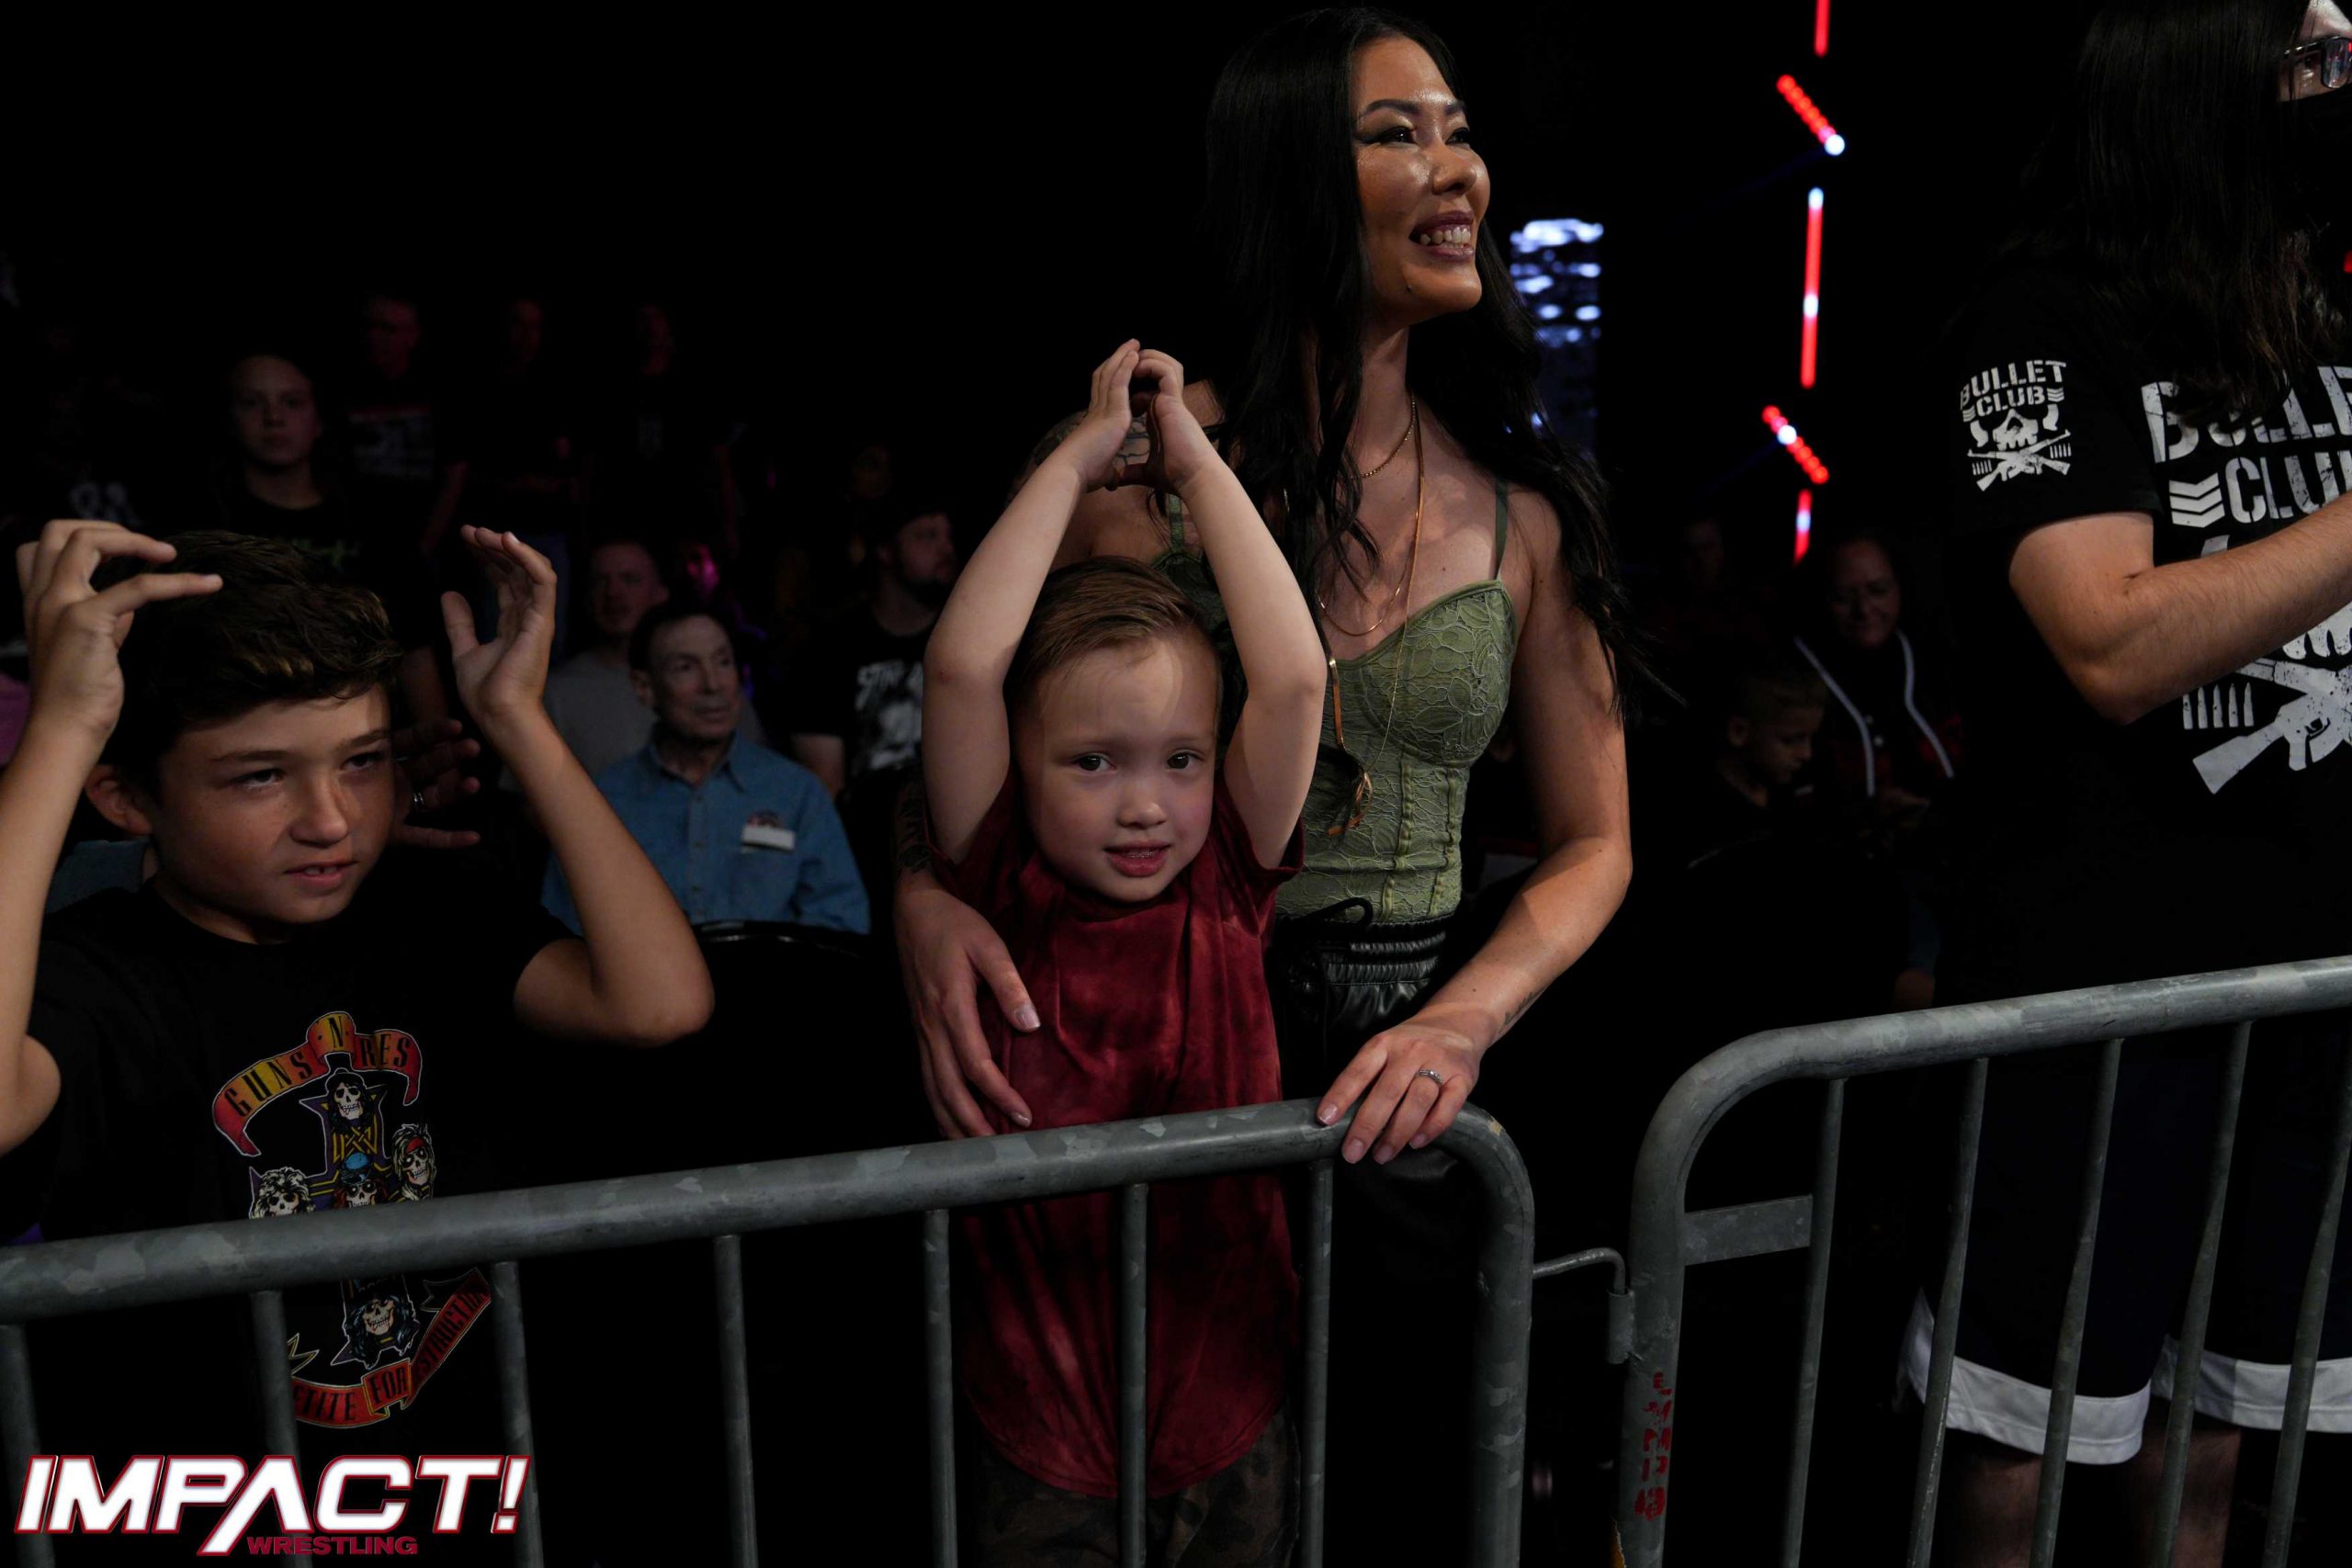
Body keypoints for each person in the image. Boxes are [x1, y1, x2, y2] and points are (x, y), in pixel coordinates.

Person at [896, 11, 1635, 1554]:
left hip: (1401, 1083)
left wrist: (1464, 1016)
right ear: (1289, 175)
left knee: (1383, 1498)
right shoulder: (1128, 478)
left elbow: (1593, 842)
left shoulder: (1524, 515)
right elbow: (965, 735)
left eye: (1461, 129)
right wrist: (922, 896)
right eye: (1398, 133)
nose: (1459, 168)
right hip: (1153, 1042)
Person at [0, 522, 710, 1559]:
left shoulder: (428, 912)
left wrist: (518, 722)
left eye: (363, 762)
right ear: (125, 794)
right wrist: (63, 730)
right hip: (207, 1514)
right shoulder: (97, 972)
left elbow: (658, 1002)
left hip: (450, 1495)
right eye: (260, 777)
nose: (330, 819)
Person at [1917, 5, 2352, 1562]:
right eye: (2313, 57)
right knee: (2026, 1440)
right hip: (2100, 996)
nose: (2342, 83)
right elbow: (2108, 639)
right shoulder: (2039, 324)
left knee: (2218, 1430)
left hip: (2301, 987)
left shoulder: (2318, 310)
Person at [922, 342, 1325, 1564]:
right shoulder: (1003, 873)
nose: (1145, 805)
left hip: (1229, 1401)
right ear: (1023, 764)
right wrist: (1078, 462)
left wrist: (1195, 469)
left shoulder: (1228, 879)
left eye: (1181, 760)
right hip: (1039, 1416)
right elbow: (963, 665)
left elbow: (1294, 677)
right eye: (1092, 762)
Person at [543, 600, 865, 935]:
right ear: (645, 687)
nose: (713, 684)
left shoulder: (796, 792)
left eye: (723, 662)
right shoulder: (603, 802)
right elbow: (565, 932)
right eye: (686, 667)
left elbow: (840, 920)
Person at [215, 350, 450, 729]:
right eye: (251, 403)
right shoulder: (209, 531)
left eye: (292, 402)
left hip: (363, 731)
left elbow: (415, 648)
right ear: (229, 418)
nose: (274, 418)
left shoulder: (375, 523)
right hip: (247, 729)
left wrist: (438, 746)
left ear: (319, 418)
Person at [787, 491, 957, 903]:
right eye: (926, 536)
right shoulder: (830, 649)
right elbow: (824, 787)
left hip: (955, 836)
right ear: (884, 550)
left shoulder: (966, 636)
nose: (946, 549)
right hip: (865, 853)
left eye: (947, 536)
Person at [1792, 530, 1962, 822]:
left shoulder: (1934, 662)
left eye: (1878, 590)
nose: (1864, 609)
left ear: (1899, 587)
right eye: (1843, 598)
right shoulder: (1793, 680)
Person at [343, 288, 458, 543]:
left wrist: (427, 544)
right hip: (353, 537)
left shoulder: (438, 392)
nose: (375, 337)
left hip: (420, 535)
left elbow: (455, 474)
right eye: (370, 325)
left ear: (412, 336)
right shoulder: (341, 389)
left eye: (388, 329)